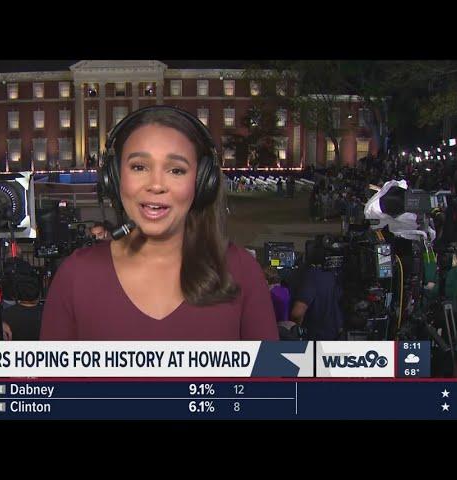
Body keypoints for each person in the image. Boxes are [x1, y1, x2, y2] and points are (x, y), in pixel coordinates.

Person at [40, 106, 278, 340]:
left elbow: (271, 376)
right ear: (113, 177)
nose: (156, 185)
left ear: (203, 181)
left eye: (176, 170)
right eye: (139, 167)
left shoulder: (241, 270)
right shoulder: (75, 276)